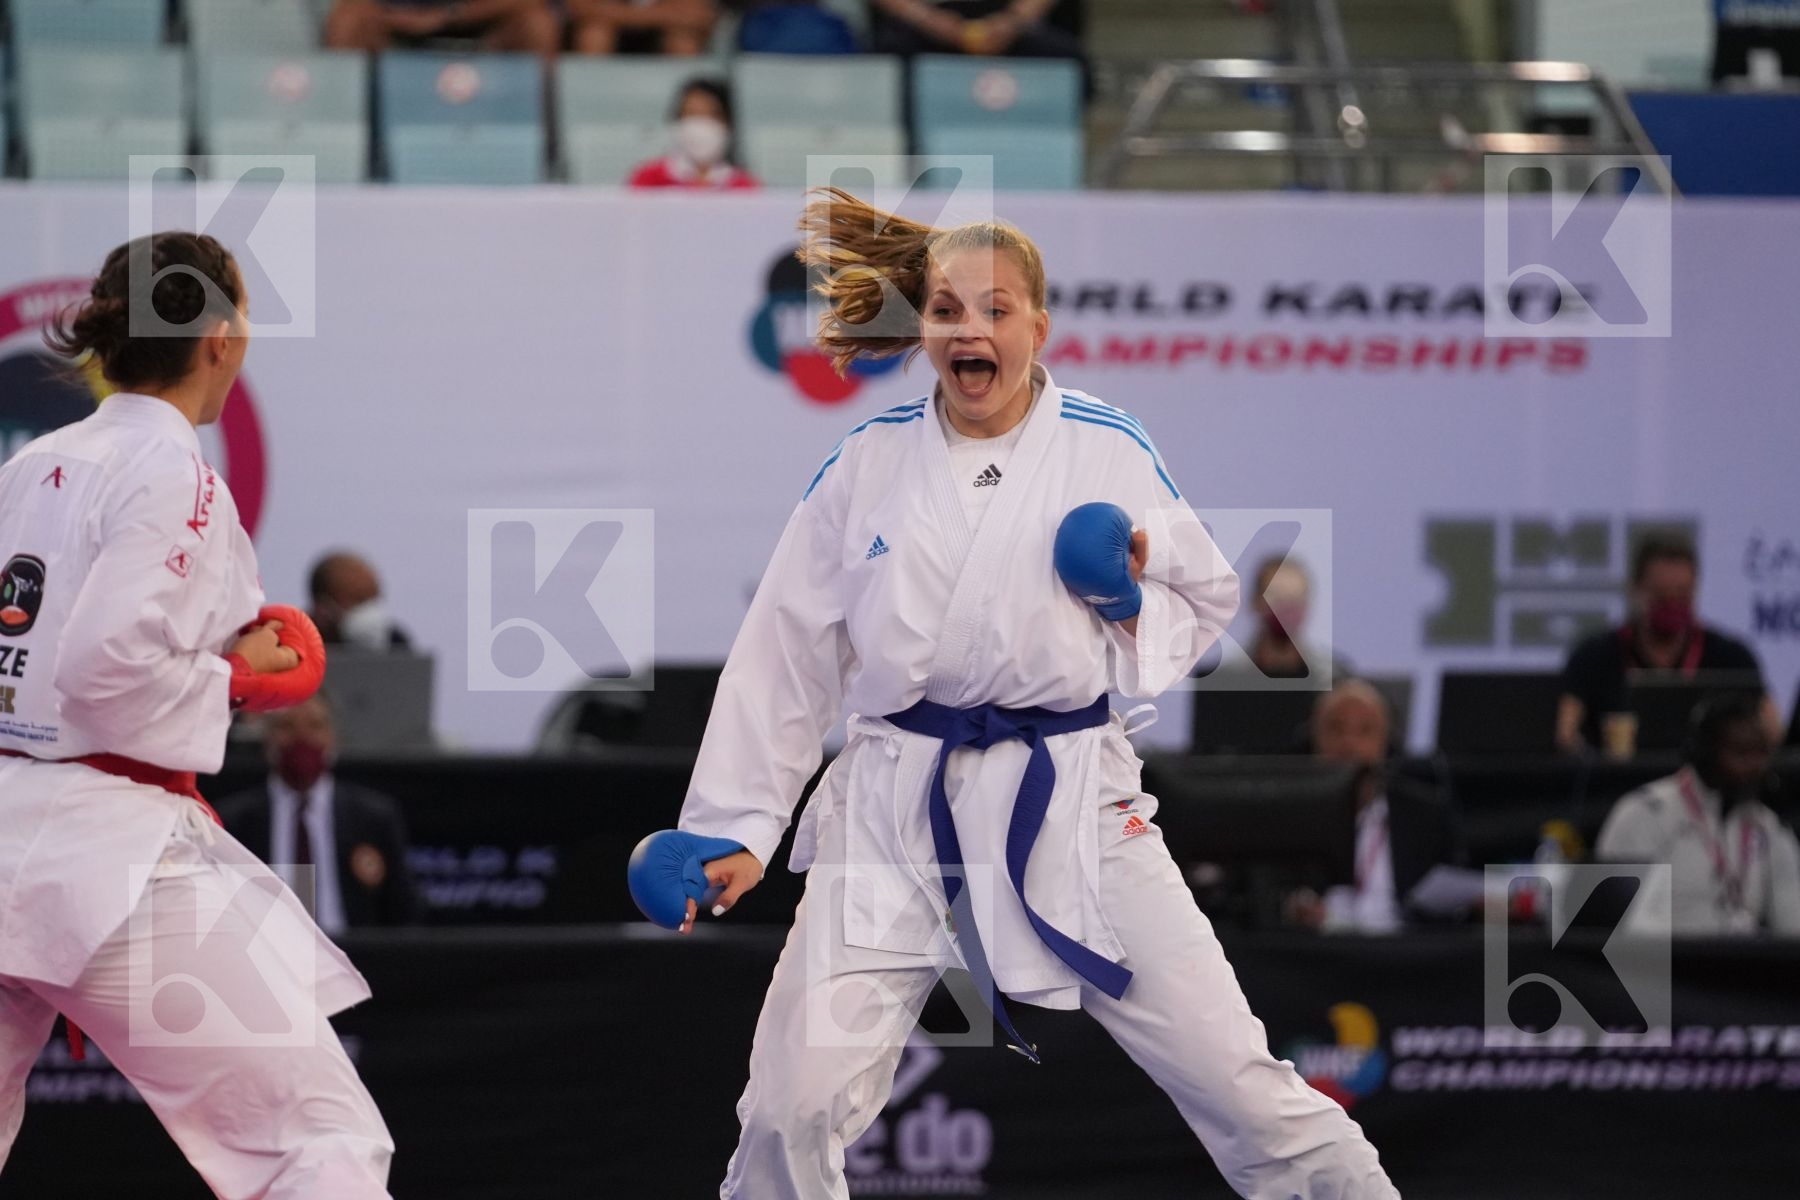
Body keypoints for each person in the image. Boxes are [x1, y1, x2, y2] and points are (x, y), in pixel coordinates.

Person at [637, 189, 1398, 1198]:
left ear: (1039, 326)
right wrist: (735, 824)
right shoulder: (866, 466)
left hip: (1075, 797)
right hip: (893, 804)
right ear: (923, 329)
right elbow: (785, 653)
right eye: (949, 311)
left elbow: (1200, 596)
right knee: (791, 1104)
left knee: (1243, 1088)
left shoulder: (1105, 446)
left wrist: (1129, 594)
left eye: (996, 310)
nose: (971, 330)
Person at [0, 234, 392, 1196]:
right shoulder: (175, 474)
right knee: (317, 1140)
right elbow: (105, 671)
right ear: (220, 337)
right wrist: (239, 676)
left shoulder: (30, 467)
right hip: (104, 853)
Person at [215, 694, 422, 937]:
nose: (302, 739)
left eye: (315, 726)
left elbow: (404, 912)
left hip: (354, 958)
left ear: (335, 737)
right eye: (287, 726)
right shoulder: (233, 822)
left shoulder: (373, 818)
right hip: (264, 958)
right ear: (268, 738)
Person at [1596, 694, 1800, 936]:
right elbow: (1618, 923)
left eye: (1762, 754)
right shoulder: (1645, 814)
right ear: (1705, 754)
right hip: (1665, 965)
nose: (1756, 767)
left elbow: (1793, 919)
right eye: (1742, 753)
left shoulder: (1768, 826)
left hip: (1744, 965)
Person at [1556, 532, 1778, 752]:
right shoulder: (1594, 657)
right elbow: (1563, 734)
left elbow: (1773, 733)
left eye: (1682, 596)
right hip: (1617, 784)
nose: (1672, 605)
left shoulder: (1731, 658)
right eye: (1661, 596)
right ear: (1636, 590)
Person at [1285, 680, 1459, 934]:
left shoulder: (1426, 814)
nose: (1348, 743)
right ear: (1313, 739)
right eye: (1336, 728)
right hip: (1318, 953)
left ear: (1386, 744)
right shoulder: (1288, 815)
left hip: (1405, 954)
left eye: (1365, 731)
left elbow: (1451, 897)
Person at [627, 78, 759, 191]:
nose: (701, 123)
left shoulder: (744, 187)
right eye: (692, 114)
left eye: (710, 115)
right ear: (677, 121)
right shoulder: (649, 179)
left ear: (728, 124)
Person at [1242, 553, 1348, 682]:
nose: (1287, 608)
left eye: (1295, 599)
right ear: (1256, 602)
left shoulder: (1334, 677)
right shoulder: (1226, 680)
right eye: (1278, 598)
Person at [872, 0, 1084, 62]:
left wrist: (1014, 21)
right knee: (888, 57)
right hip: (924, 20)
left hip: (1010, 19)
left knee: (1065, 57)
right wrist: (927, 19)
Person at [323, 0, 559, 54]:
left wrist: (446, 16)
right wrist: (392, 15)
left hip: (480, 23)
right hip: (400, 19)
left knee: (538, 23)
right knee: (348, 18)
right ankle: (347, 137)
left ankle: (546, 146)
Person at [308, 549, 414, 651]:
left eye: (372, 602)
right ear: (322, 609)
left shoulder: (396, 644)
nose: (369, 613)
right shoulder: (296, 653)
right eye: (359, 602)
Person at [567, 0, 719, 55]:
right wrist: (666, 14)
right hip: (610, 37)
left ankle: (686, 107)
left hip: (662, 38)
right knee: (594, 35)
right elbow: (581, 9)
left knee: (684, 42)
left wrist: (612, 12)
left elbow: (696, 15)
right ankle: (592, 102)